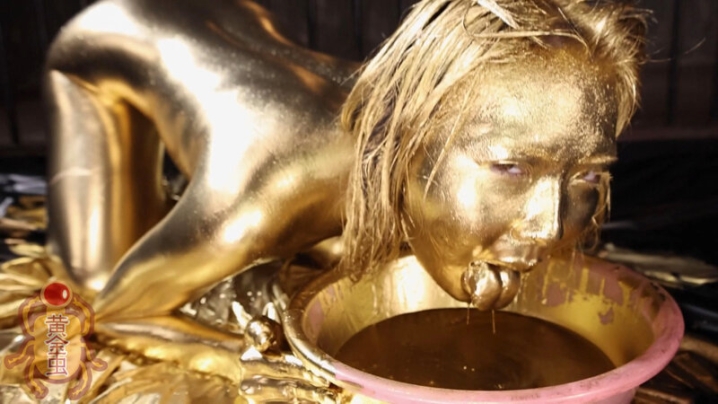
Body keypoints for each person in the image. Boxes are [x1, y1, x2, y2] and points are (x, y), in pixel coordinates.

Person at [45, 0, 645, 322]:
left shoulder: (442, 116)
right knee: (89, 285)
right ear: (413, 133)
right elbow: (113, 311)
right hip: (101, 52)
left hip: (233, 20)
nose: (548, 226)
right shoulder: (260, 198)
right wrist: (235, 363)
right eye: (511, 168)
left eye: (587, 173)